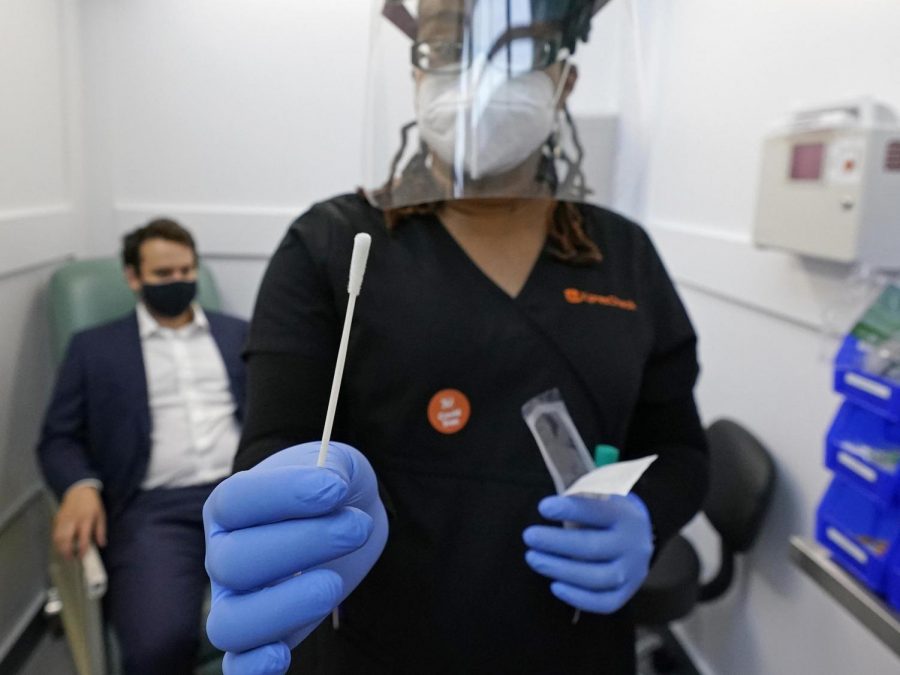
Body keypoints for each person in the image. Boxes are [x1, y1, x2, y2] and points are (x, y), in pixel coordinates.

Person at [203, 1, 709, 673]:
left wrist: (645, 513)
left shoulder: (625, 255)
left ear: (564, 81)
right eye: (444, 49)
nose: (478, 76)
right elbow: (275, 442)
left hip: (574, 643)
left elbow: (679, 446)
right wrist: (285, 519)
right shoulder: (332, 246)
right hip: (381, 644)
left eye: (518, 50)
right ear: (414, 77)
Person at [37, 219, 249, 675]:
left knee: (309, 611)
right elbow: (58, 437)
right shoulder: (93, 349)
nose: (178, 282)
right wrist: (79, 484)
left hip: (242, 497)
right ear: (133, 277)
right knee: (159, 645)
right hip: (154, 511)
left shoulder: (238, 336)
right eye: (162, 274)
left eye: (186, 271)